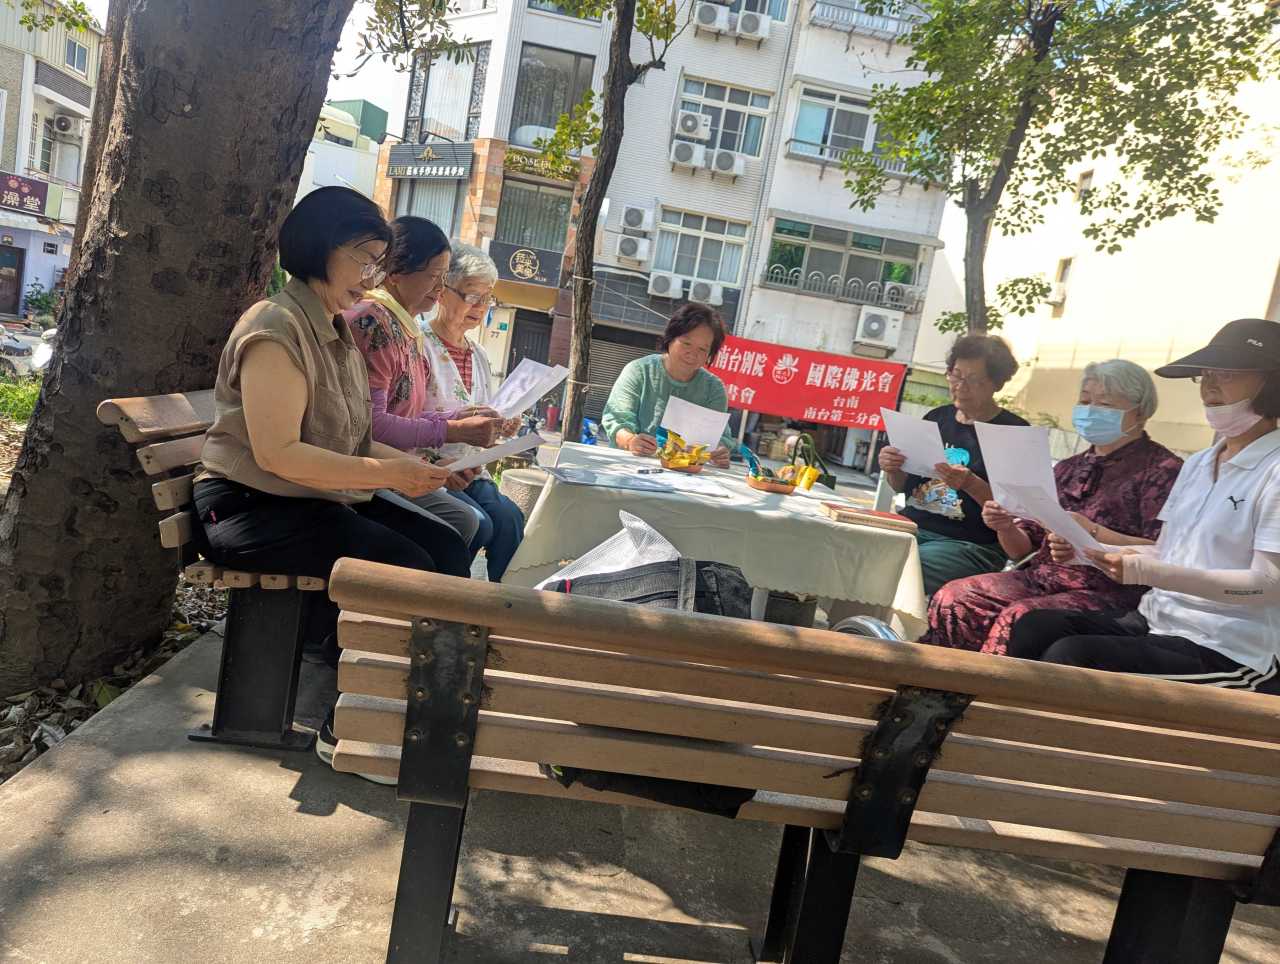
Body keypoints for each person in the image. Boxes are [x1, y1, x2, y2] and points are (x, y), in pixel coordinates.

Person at [193, 187, 472, 771]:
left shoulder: (334, 326)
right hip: (250, 507)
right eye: (364, 259)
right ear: (320, 247)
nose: (372, 276)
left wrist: (421, 471)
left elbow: (351, 437)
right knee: (405, 568)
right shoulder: (276, 328)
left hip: (306, 496)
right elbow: (279, 454)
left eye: (379, 262)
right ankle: (350, 726)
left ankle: (422, 711)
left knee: (445, 545)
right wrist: (387, 472)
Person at [1006, 319, 1280, 695]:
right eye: (1205, 375)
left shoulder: (1274, 470)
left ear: (1272, 384)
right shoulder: (1199, 463)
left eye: (1228, 374)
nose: (1210, 386)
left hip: (1229, 647)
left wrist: (1144, 570)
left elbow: (1268, 584)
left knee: (1072, 657)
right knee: (1035, 626)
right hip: (1158, 619)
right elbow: (1167, 552)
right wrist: (1091, 553)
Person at [926, 360, 1182, 653]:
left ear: (1141, 411)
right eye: (1084, 401)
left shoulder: (1163, 471)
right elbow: (1022, 550)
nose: (1091, 410)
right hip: (1041, 578)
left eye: (1105, 404)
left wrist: (1094, 533)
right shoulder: (1067, 468)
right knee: (954, 597)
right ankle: (937, 677)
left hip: (1109, 591)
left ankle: (987, 682)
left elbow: (1165, 549)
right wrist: (1005, 526)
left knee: (1020, 618)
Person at [344, 216, 508, 550]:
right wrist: (451, 431)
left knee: (493, 521)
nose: (439, 289)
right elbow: (373, 425)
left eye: (443, 279)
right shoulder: (373, 322)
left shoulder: (405, 327)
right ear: (395, 272)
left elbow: (408, 414)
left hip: (403, 464)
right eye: (434, 277)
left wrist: (457, 422)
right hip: (369, 469)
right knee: (467, 525)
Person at [878, 334, 1029, 596]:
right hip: (912, 526)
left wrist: (971, 484)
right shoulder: (937, 417)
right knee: (858, 549)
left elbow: (1017, 511)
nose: (960, 386)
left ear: (996, 384)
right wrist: (893, 468)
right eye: (956, 375)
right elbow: (903, 486)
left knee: (901, 569)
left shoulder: (1014, 432)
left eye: (973, 380)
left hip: (970, 544)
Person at [422, 242, 526, 581]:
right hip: (430, 467)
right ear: (443, 291)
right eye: (471, 296)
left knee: (509, 519)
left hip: (471, 472)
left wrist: (501, 425)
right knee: (478, 524)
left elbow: (483, 415)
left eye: (487, 298)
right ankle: (449, 597)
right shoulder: (419, 344)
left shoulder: (478, 353)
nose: (480, 307)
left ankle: (502, 603)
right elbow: (401, 417)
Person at [600, 303, 735, 468]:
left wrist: (719, 451)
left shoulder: (714, 389)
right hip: (630, 467)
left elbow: (719, 438)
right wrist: (630, 441)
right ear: (670, 338)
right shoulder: (639, 371)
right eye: (686, 343)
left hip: (687, 474)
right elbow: (616, 420)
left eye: (702, 349)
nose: (693, 354)